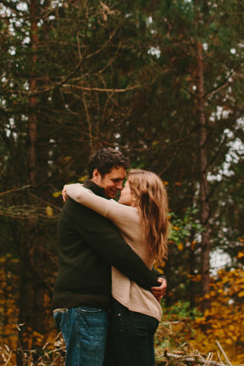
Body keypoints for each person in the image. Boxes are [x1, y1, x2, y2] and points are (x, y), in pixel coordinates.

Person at [52, 148, 167, 366]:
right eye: (115, 180)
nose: (120, 186)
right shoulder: (83, 205)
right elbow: (117, 252)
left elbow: (125, 250)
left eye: (123, 181)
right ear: (96, 175)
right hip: (82, 304)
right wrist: (153, 281)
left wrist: (157, 275)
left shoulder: (98, 205)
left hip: (93, 306)